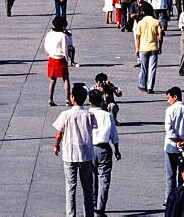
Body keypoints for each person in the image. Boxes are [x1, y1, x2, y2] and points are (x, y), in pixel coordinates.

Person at [53, 83, 97, 217]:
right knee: (87, 188)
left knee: (70, 187)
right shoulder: (89, 115)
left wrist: (56, 145)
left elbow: (59, 133)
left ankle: (70, 214)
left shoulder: (65, 114)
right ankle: (89, 214)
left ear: (72, 98)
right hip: (86, 154)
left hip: (70, 154)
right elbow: (94, 128)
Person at [88, 88, 121, 217]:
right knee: (104, 179)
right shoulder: (108, 115)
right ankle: (100, 208)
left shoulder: (86, 114)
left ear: (89, 101)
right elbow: (114, 135)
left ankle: (92, 204)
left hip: (89, 148)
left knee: (90, 179)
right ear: (101, 100)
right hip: (104, 148)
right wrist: (117, 150)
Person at [135, 5, 163, 94]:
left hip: (143, 48)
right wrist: (160, 46)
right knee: (152, 68)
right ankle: (150, 87)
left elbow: (138, 37)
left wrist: (137, 49)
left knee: (144, 68)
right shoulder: (156, 22)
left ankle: (143, 85)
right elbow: (160, 36)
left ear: (144, 12)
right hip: (154, 47)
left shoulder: (140, 22)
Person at [46, 16, 72, 106]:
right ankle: (67, 99)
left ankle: (50, 99)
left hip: (52, 58)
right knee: (65, 78)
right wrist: (67, 58)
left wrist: (49, 54)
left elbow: (46, 46)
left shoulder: (49, 34)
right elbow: (65, 48)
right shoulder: (62, 36)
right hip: (60, 58)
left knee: (53, 79)